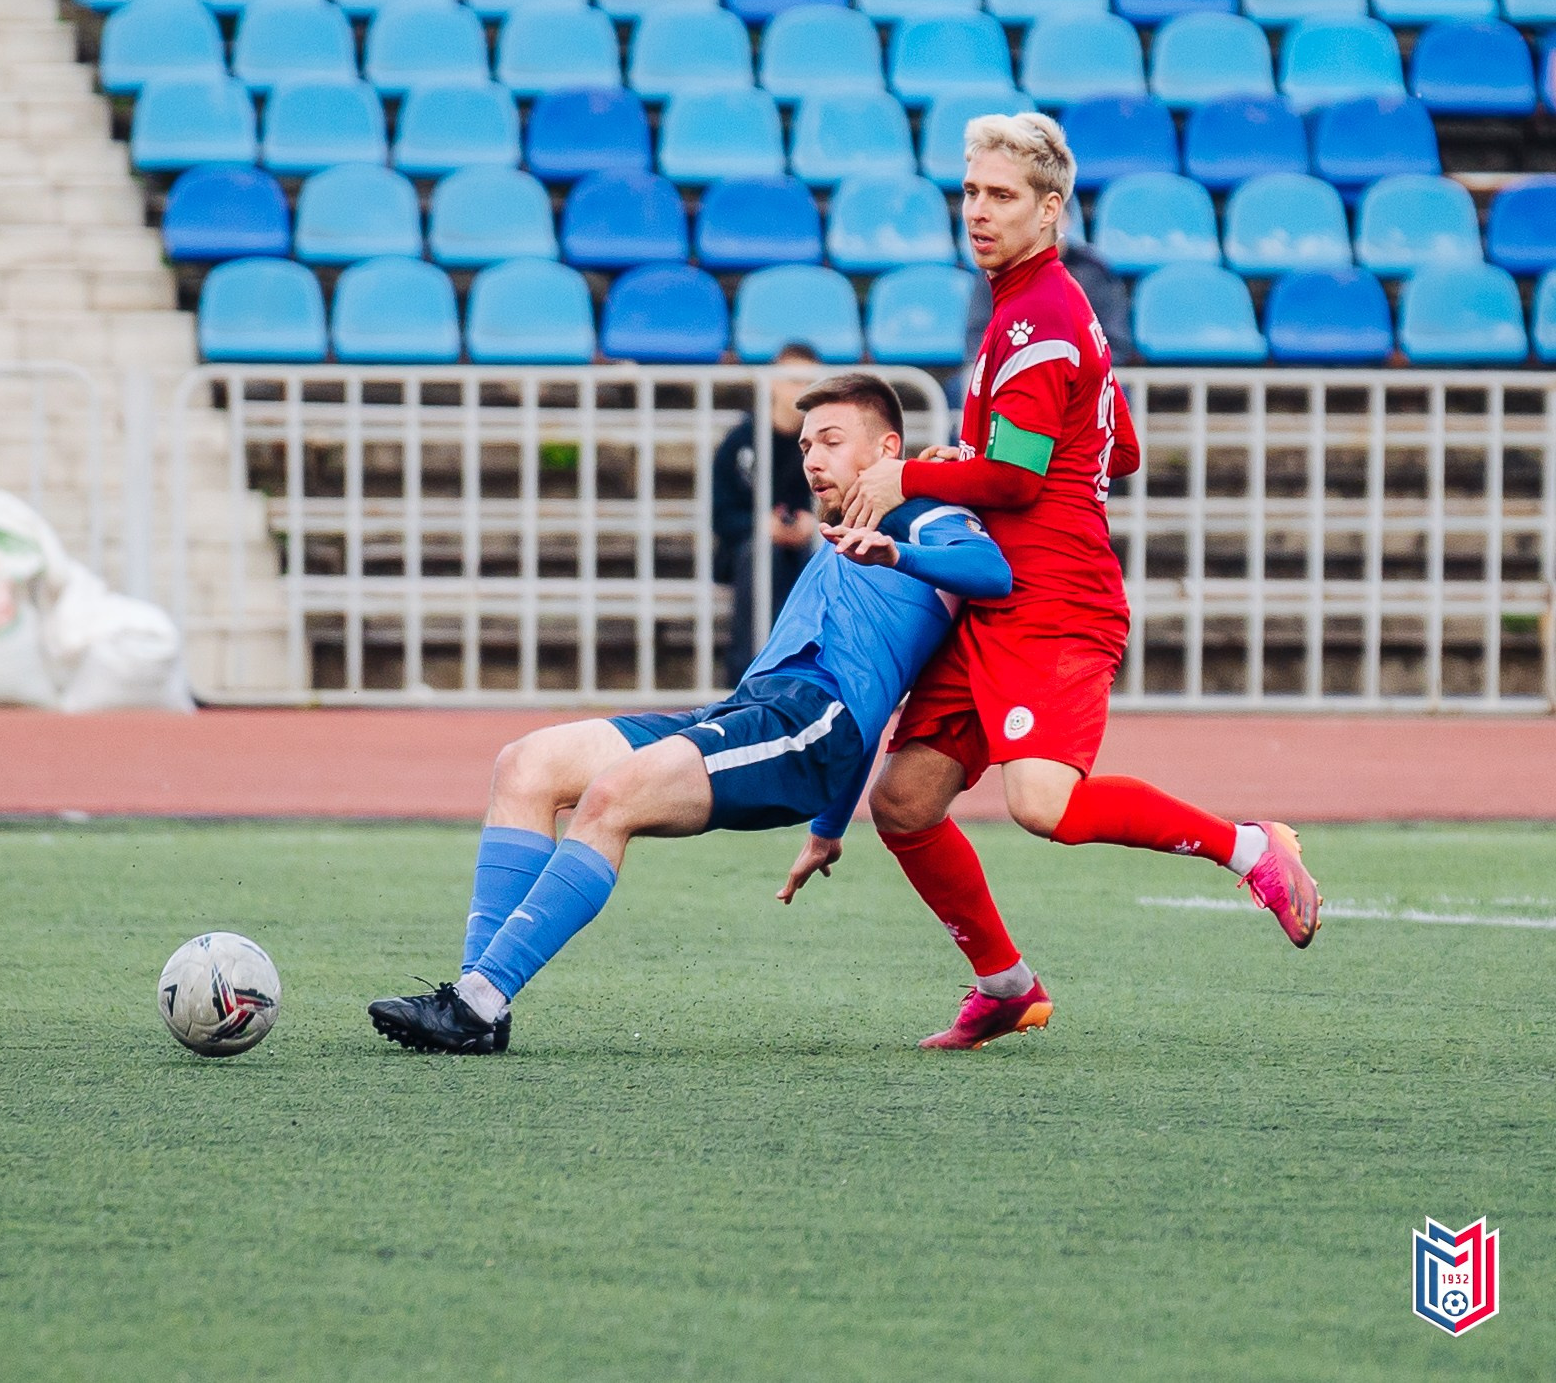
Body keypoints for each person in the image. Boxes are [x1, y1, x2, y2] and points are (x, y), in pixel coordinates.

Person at [843, 112, 1320, 1051]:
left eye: (1001, 196)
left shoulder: (1037, 316)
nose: (977, 212)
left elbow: (1019, 481)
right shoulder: (1048, 307)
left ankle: (1248, 846)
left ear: (1049, 209)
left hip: (1052, 599)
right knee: (901, 802)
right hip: (1000, 593)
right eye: (970, 193)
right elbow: (1122, 448)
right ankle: (1005, 984)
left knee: (1042, 804)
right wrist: (973, 454)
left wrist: (915, 474)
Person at [367, 374, 1011, 1054]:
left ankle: (474, 1003)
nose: (813, 458)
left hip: (807, 722)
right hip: (755, 710)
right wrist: (827, 830)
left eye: (830, 440)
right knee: (526, 764)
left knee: (613, 795)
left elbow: (989, 568)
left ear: (886, 446)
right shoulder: (844, 523)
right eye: (803, 445)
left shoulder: (917, 508)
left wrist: (897, 548)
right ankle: (477, 1002)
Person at [712, 344, 821, 680]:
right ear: (773, 383)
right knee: (761, 556)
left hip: (807, 544)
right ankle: (747, 673)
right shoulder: (742, 440)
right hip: (748, 551)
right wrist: (760, 526)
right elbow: (721, 514)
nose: (800, 391)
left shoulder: (827, 442)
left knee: (827, 555)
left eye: (809, 383)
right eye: (792, 380)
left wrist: (813, 526)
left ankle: (813, 672)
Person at [960, 229, 1131, 373]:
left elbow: (1115, 343)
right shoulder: (993, 273)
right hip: (1009, 375)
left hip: (1082, 376)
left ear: (1062, 216)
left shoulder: (1094, 273)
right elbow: (977, 339)